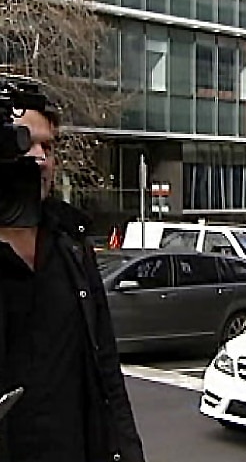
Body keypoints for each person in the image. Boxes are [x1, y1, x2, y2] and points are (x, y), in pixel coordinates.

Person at [0, 103, 145, 461]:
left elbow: (107, 372)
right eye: (23, 143)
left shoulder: (73, 244)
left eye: (47, 147)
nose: (39, 159)